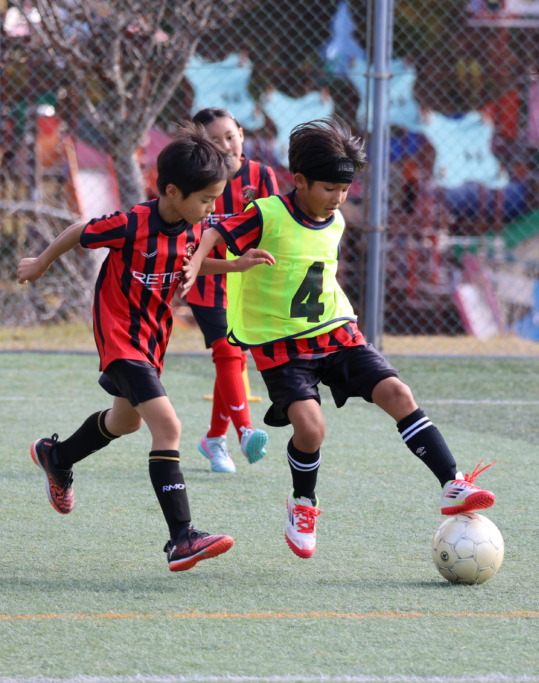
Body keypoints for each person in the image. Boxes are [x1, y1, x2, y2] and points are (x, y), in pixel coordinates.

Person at [187, 117, 496, 559]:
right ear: (299, 181)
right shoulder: (267, 214)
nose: (338, 197)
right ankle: (303, 503)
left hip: (336, 332)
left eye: (345, 189)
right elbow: (214, 233)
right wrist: (195, 263)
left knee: (398, 393)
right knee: (311, 429)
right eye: (329, 188)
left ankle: (453, 482)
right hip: (281, 346)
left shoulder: (335, 221)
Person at [16, 121, 275, 572]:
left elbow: (190, 263)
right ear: (172, 191)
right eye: (206, 199)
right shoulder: (132, 223)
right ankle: (182, 538)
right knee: (168, 427)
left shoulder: (191, 228)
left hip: (152, 340)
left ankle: (57, 456)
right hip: (120, 338)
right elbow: (79, 230)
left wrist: (235, 266)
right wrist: (40, 263)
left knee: (125, 421)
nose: (212, 208)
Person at [186, 107, 278, 473]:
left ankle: (213, 439)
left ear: (241, 133)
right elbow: (191, 234)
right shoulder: (196, 181)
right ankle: (244, 432)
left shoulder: (261, 175)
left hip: (246, 284)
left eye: (230, 136)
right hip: (208, 281)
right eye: (215, 140)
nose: (226, 145)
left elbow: (272, 227)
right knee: (227, 351)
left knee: (235, 358)